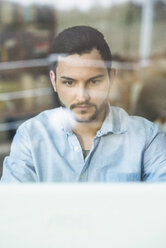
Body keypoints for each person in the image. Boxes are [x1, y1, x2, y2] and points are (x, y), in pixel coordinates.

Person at [1, 26, 166, 182]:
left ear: (112, 77)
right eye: (69, 83)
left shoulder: (146, 138)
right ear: (53, 80)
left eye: (94, 82)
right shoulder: (31, 136)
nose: (82, 97)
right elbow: (13, 207)